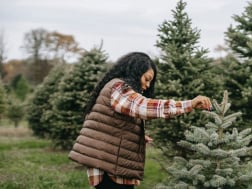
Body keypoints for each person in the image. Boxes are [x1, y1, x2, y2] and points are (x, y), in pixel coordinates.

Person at [68, 52, 211, 189]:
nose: (148, 85)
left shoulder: (116, 88)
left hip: (111, 163)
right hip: (108, 166)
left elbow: (108, 123)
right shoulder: (119, 88)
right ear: (135, 73)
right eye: (146, 79)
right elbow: (142, 106)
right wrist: (189, 104)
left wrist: (136, 135)